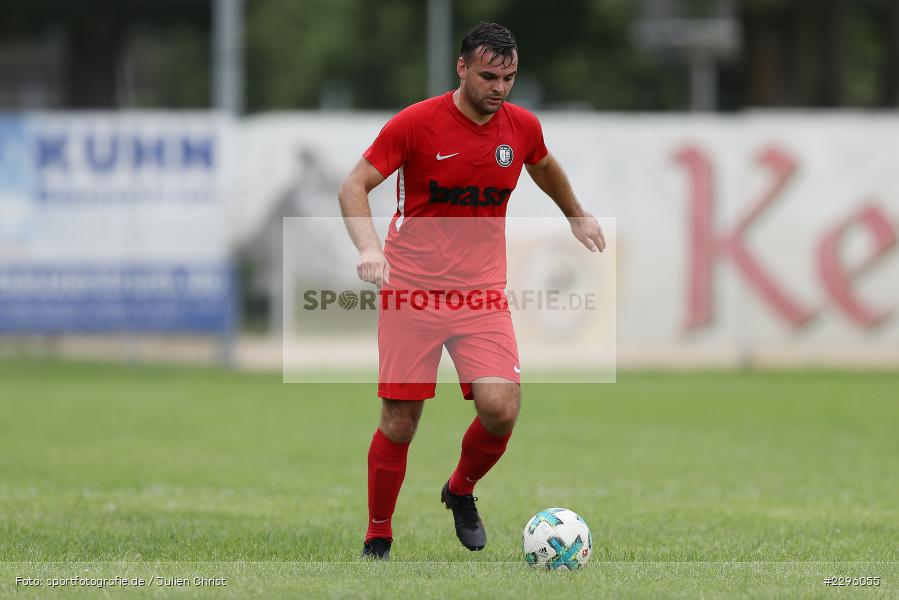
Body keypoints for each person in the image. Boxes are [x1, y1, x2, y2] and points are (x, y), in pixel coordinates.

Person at [338, 22, 605, 561]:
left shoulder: (521, 127)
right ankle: (378, 535)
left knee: (501, 409)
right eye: (488, 76)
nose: (499, 88)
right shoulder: (416, 123)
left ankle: (460, 490)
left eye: (509, 78)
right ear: (461, 68)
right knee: (400, 422)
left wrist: (576, 213)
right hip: (412, 291)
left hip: (481, 294)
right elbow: (353, 186)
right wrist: (368, 248)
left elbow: (543, 165)